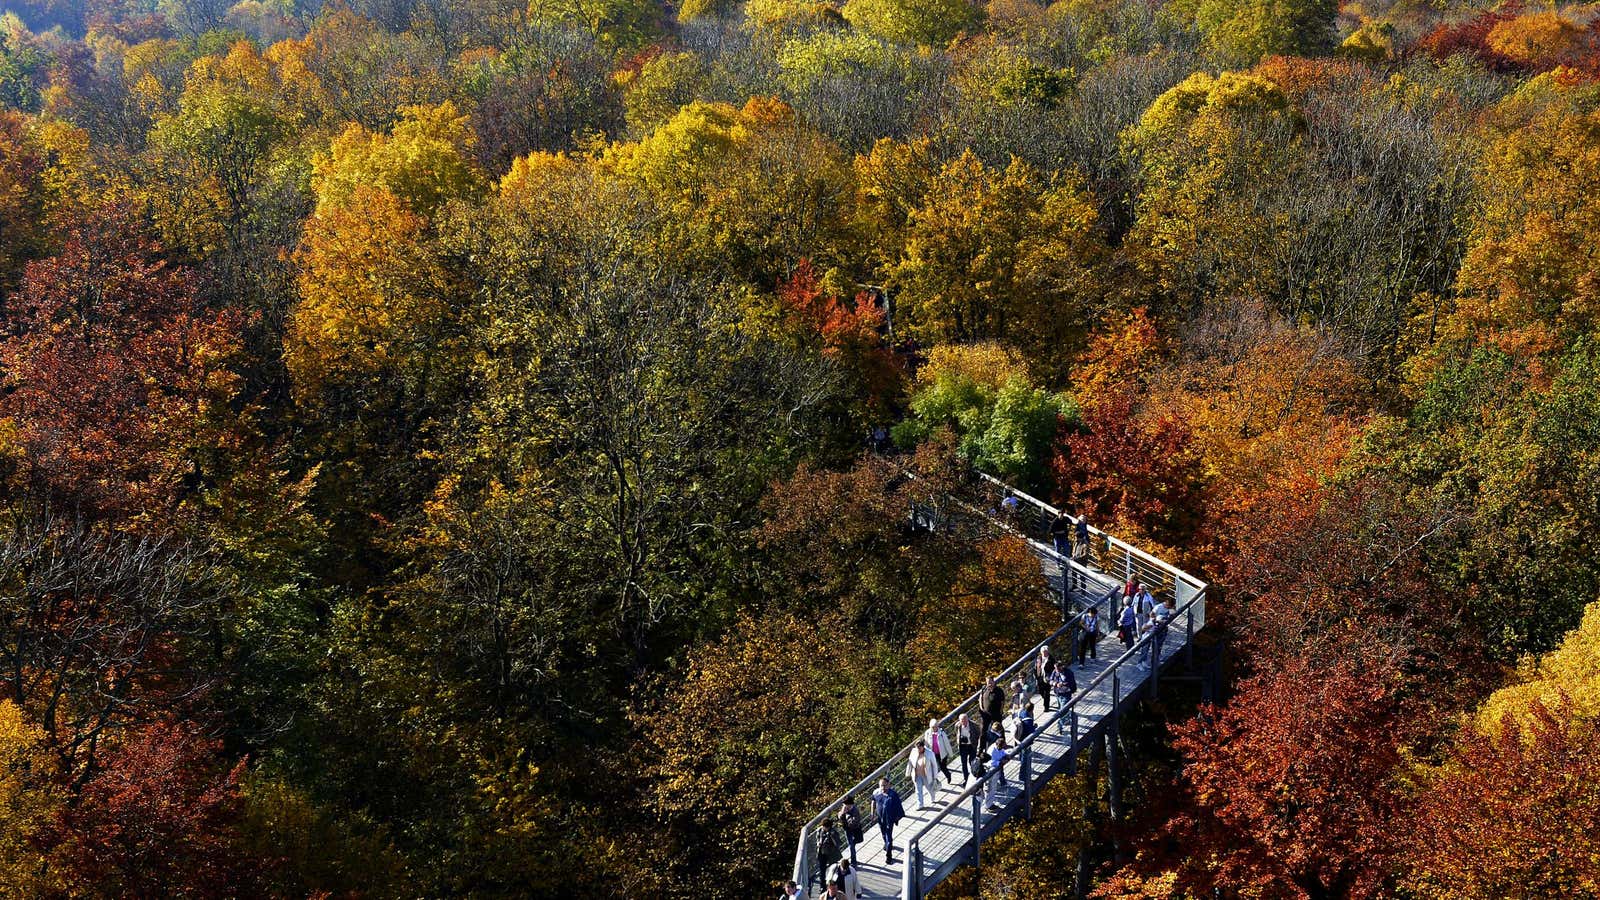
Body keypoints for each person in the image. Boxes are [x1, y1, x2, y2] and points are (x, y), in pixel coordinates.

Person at [872, 778, 905, 865]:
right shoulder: (877, 793)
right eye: (881, 785)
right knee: (883, 834)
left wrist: (897, 818)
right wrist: (872, 813)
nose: (882, 787)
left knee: (889, 837)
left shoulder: (893, 795)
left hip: (889, 819)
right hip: (880, 819)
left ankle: (889, 856)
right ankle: (886, 844)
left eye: (884, 785)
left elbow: (899, 806)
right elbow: (873, 801)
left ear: (888, 785)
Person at [906, 740, 937, 810]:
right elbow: (910, 762)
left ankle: (933, 796)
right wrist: (908, 773)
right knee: (918, 790)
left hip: (926, 774)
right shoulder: (914, 751)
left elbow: (934, 765)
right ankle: (920, 804)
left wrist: (935, 776)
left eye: (919, 747)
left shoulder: (930, 753)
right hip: (917, 774)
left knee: (929, 788)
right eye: (917, 748)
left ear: (923, 747)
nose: (918, 749)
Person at [815, 818, 843, 892]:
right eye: (823, 826)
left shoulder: (833, 832)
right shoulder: (819, 830)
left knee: (834, 869)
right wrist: (818, 843)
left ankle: (835, 885)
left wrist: (832, 837)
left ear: (829, 827)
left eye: (826, 827)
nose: (824, 828)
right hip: (822, 853)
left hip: (831, 854)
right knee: (822, 870)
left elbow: (838, 844)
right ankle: (822, 886)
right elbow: (817, 839)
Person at [984, 737, 1010, 811]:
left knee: (993, 788)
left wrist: (1006, 755)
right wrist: (1000, 762)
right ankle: (988, 805)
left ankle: (990, 803)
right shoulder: (992, 750)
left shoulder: (1000, 748)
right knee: (990, 788)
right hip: (990, 771)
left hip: (996, 771)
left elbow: (1002, 752)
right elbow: (990, 762)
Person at [925, 717, 954, 783]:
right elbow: (926, 744)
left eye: (935, 726)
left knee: (943, 767)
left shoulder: (941, 732)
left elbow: (947, 744)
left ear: (937, 726)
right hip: (933, 754)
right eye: (932, 727)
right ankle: (935, 782)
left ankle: (948, 775)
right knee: (935, 768)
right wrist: (925, 754)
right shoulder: (927, 733)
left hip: (943, 753)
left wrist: (950, 753)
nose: (934, 728)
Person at [955, 713, 980, 786]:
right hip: (962, 747)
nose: (964, 722)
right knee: (964, 764)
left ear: (967, 719)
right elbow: (956, 733)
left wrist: (973, 741)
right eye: (962, 721)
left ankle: (974, 778)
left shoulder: (973, 725)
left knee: (972, 763)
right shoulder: (957, 725)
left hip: (971, 746)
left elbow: (978, 734)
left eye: (965, 720)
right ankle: (966, 780)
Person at [980, 676, 1005, 747]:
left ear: (993, 682)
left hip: (996, 715)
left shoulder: (999, 690)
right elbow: (980, 697)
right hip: (985, 715)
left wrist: (1000, 712)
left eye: (990, 682)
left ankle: (1001, 745)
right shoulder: (984, 689)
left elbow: (1002, 702)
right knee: (983, 732)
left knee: (998, 731)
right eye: (988, 682)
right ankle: (982, 748)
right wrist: (981, 707)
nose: (989, 683)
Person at [839, 795, 864, 865]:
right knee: (851, 845)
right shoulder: (844, 808)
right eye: (844, 804)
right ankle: (854, 861)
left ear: (851, 804)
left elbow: (854, 821)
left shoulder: (855, 810)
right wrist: (842, 813)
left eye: (846, 804)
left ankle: (853, 845)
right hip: (847, 830)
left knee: (860, 840)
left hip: (856, 828)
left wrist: (846, 816)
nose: (845, 806)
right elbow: (839, 817)